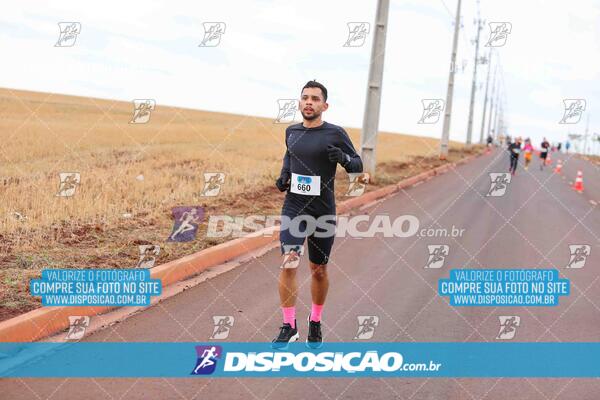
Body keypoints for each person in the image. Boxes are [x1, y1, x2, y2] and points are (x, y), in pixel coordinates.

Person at [273, 80, 363, 349]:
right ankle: (289, 326)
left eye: (314, 98)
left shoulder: (335, 133)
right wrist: (284, 174)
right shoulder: (291, 131)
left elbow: (357, 165)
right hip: (294, 207)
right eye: (305, 98)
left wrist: (343, 159)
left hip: (322, 210)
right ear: (299, 102)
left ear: (325, 105)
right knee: (289, 261)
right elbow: (289, 155)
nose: (309, 102)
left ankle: (315, 320)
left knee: (319, 269)